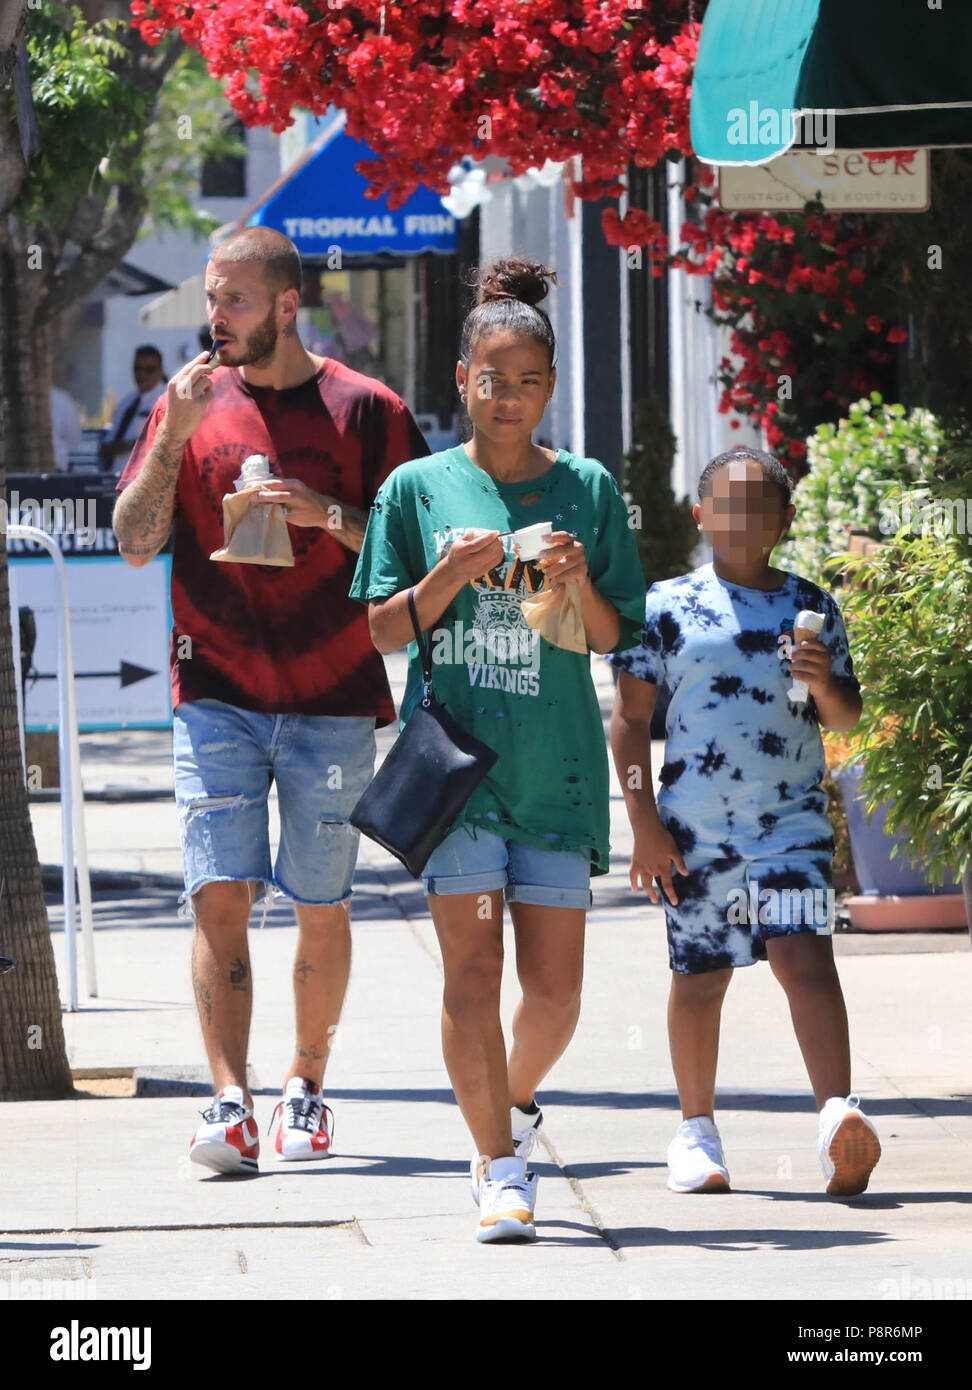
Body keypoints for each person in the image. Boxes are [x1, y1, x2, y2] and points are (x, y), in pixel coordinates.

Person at [112, 226, 429, 1175]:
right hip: (213, 688)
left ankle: (305, 1086)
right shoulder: (191, 405)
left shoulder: (367, 409)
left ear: (289, 304)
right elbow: (134, 539)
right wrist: (169, 433)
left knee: (319, 901)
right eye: (214, 299)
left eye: (235, 300)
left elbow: (415, 548)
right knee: (218, 894)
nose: (217, 318)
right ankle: (228, 1102)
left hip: (333, 692)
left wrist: (323, 515)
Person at [350, 256, 646, 1242]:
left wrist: (574, 577)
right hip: (460, 774)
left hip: (558, 771)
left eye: (527, 380)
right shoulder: (415, 488)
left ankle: (503, 1101)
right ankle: (498, 1162)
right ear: (463, 381)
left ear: (550, 387)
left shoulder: (591, 489)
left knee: (554, 992)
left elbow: (611, 638)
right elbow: (385, 633)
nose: (507, 395)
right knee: (472, 976)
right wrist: (443, 578)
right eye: (491, 377)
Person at [609, 445, 882, 1198]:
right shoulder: (663, 605)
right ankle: (695, 1132)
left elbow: (846, 719)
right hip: (692, 832)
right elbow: (629, 723)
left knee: (807, 961)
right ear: (700, 515)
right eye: (726, 505)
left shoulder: (812, 605)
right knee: (701, 978)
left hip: (790, 823)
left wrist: (824, 684)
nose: (742, 519)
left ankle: (837, 1120)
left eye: (761, 505)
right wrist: (642, 825)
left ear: (785, 520)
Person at [99, 346, 168, 471]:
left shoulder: (166, 401)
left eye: (149, 369)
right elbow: (106, 447)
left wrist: (129, 446)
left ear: (161, 371)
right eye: (137, 369)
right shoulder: (126, 403)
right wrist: (129, 445)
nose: (142, 374)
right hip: (114, 480)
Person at [50, 385, 83, 470]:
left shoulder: (60, 399)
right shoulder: (60, 399)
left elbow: (74, 438)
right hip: (59, 465)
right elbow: (74, 439)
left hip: (58, 466)